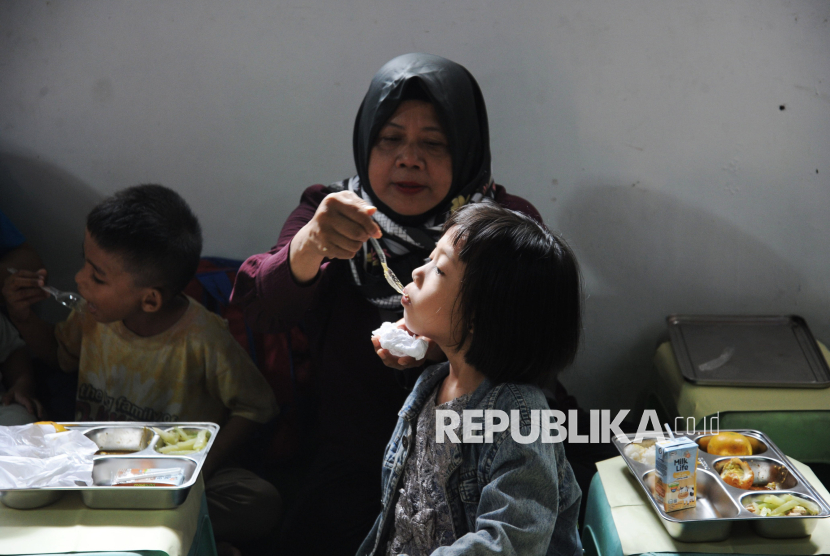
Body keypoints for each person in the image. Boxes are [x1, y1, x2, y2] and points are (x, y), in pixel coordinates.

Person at [231, 53, 544, 555]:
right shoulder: (330, 211)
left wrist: (447, 352)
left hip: (473, 457)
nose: (408, 158)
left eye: (435, 143)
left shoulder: (499, 230)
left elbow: (533, 344)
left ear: (466, 149)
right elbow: (262, 309)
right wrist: (311, 245)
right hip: (352, 461)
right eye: (390, 138)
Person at [2, 184, 280, 556]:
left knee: (260, 501)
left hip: (168, 477)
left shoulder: (204, 338)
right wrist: (24, 319)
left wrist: (202, 470)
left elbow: (256, 407)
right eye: (84, 263)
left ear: (149, 299)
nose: (80, 280)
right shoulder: (92, 315)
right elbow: (57, 357)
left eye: (97, 276)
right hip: (92, 469)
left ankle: (180, 529)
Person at [360, 202, 583, 556]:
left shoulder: (520, 417)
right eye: (430, 259)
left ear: (483, 313)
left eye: (439, 270)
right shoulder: (432, 382)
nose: (417, 273)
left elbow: (510, 540)